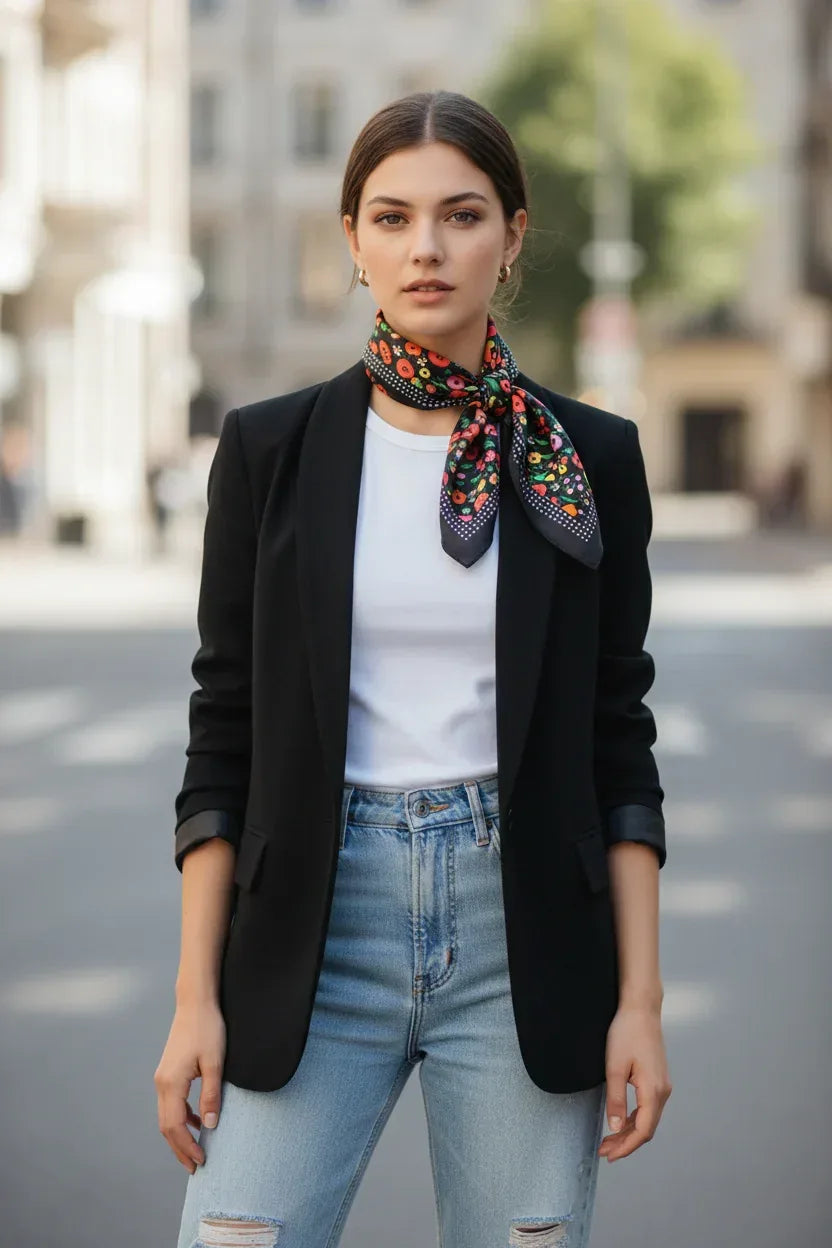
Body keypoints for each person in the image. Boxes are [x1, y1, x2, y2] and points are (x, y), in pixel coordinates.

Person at [156, 90, 672, 1248]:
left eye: (461, 215)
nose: (425, 248)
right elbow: (223, 730)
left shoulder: (586, 458)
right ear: (351, 239)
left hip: (524, 931)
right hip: (311, 930)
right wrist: (196, 997)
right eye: (390, 218)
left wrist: (638, 1000)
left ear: (514, 235)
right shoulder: (269, 452)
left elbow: (615, 737)